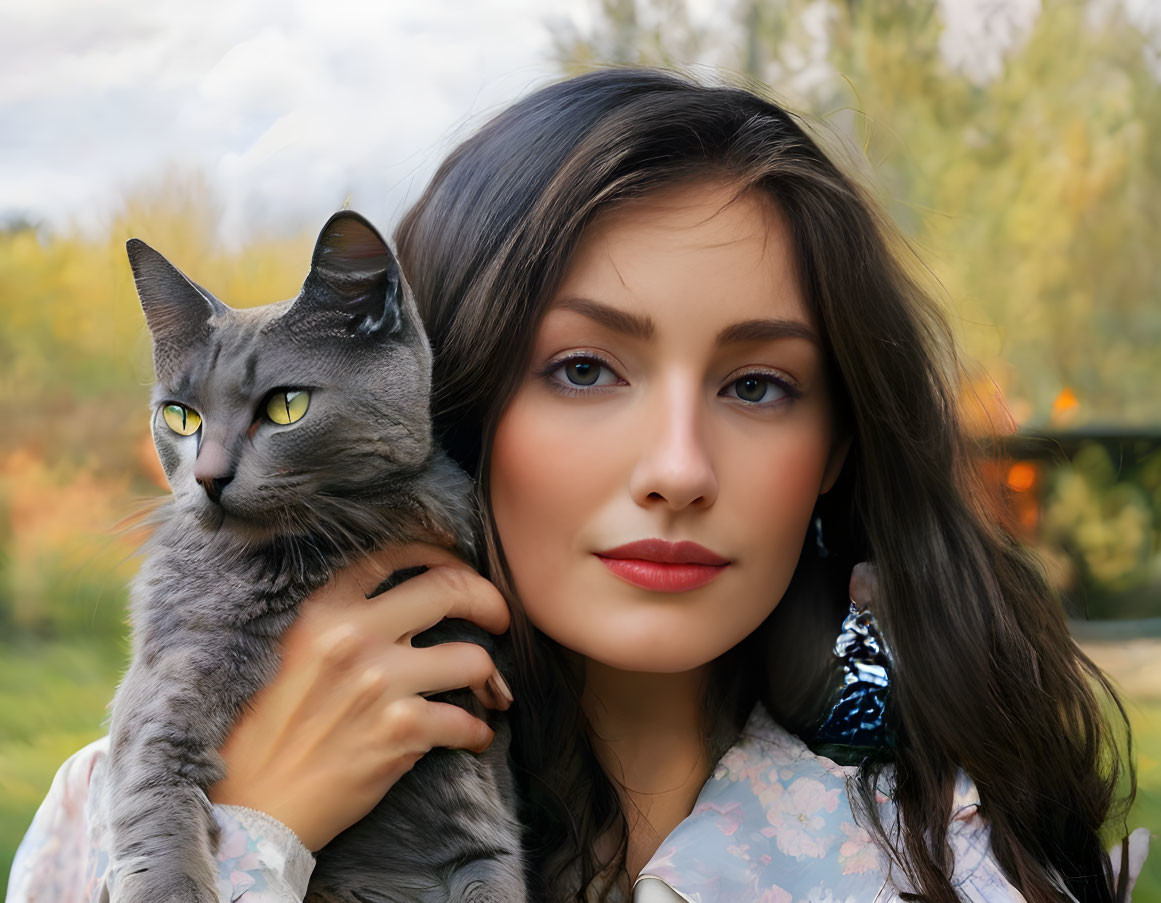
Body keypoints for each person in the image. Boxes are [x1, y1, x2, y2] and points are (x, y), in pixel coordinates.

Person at [7, 68, 1150, 903]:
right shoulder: (109, 822)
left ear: (836, 451)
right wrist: (257, 842)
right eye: (585, 369)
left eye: (758, 387)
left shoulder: (952, 862)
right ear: (460, 398)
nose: (677, 472)